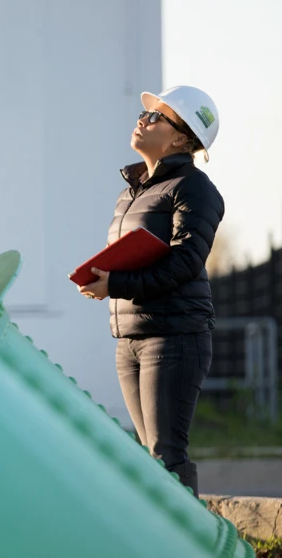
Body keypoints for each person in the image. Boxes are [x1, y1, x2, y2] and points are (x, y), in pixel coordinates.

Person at [76, 86, 224, 497]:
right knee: (150, 458)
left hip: (174, 337)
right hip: (131, 338)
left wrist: (116, 285)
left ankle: (191, 553)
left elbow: (184, 263)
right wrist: (104, 278)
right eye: (147, 114)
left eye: (158, 116)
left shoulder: (195, 188)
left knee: (166, 456)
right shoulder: (131, 192)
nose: (144, 119)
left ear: (181, 138)